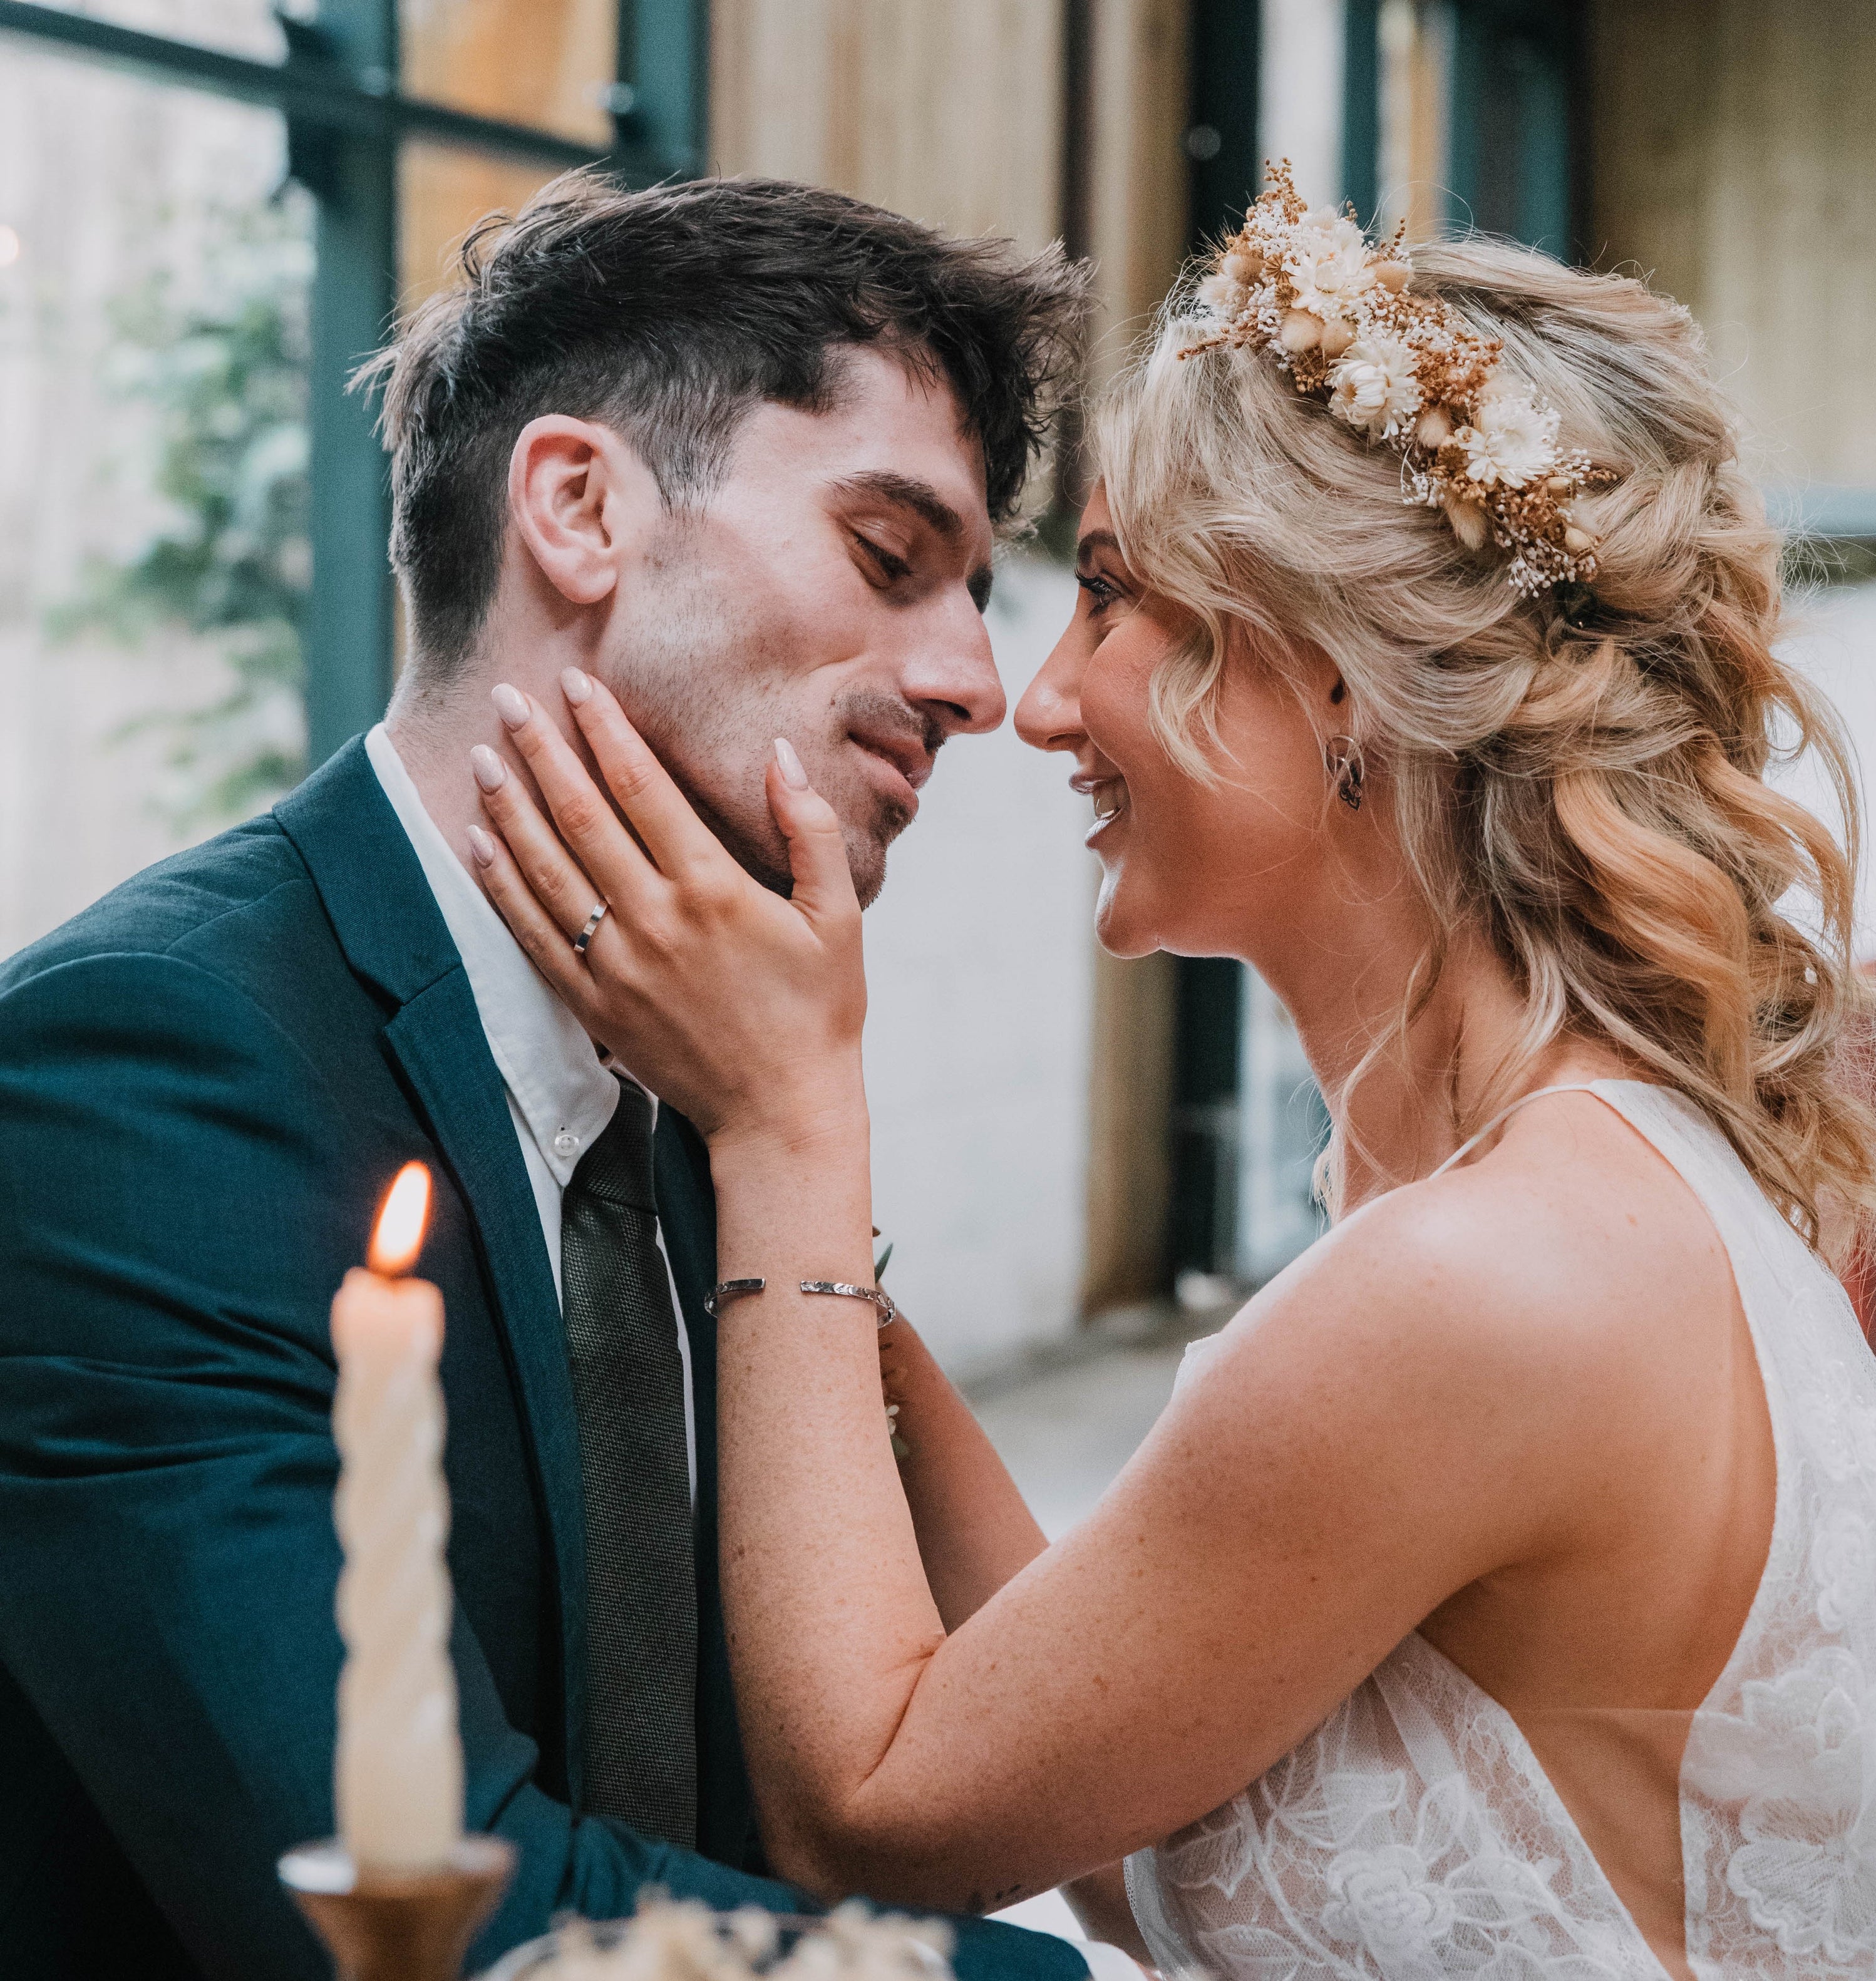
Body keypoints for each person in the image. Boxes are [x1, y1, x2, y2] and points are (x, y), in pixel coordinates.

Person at [466, 171, 1876, 1980]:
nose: (1035, 702)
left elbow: (875, 1804)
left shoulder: (1479, 1285)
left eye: (1108, 597)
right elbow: (1136, 1799)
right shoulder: (1569, 1194)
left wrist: (792, 1118)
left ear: (1342, 675)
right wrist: (801, 1240)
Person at [0, 172, 1111, 1981]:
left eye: (973, 595)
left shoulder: (718, 1079)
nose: (976, 681)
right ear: (581, 508)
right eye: (894, 560)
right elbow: (426, 1903)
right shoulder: (144, 1076)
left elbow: (872, 1756)